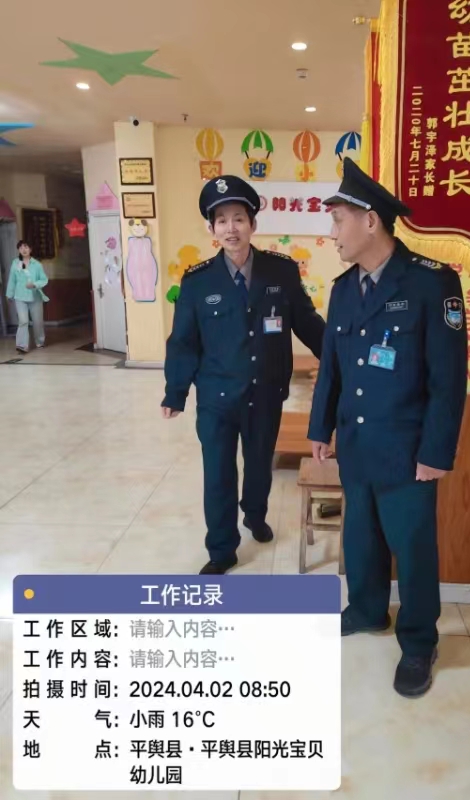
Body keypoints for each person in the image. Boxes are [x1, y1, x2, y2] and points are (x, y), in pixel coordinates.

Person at [308, 158, 468, 698]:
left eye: (338, 221)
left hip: (407, 450)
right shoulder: (343, 289)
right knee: (361, 536)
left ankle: (419, 642)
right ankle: (367, 609)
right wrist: (320, 427)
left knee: (413, 547)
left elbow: (449, 379)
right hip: (356, 442)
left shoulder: (430, 282)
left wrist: (436, 452)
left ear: (370, 221)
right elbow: (331, 367)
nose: (333, 233)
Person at [162, 175, 325, 575]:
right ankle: (222, 549)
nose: (230, 228)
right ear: (211, 229)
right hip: (216, 398)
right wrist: (175, 392)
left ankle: (255, 514)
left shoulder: (281, 272)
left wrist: (338, 358)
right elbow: (183, 341)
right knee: (218, 474)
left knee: (258, 465)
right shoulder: (197, 281)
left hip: (265, 392)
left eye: (238, 218)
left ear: (253, 224)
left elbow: (306, 322)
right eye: (221, 220)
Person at [5, 240, 49, 353]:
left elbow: (44, 280)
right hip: (20, 296)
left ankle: (40, 341)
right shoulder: (15, 263)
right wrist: (9, 294)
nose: (23, 250)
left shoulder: (37, 265)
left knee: (37, 321)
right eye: (21, 248)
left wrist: (34, 284)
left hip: (35, 297)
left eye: (26, 247)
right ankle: (22, 345)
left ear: (30, 249)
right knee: (23, 321)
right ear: (18, 250)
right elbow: (12, 279)